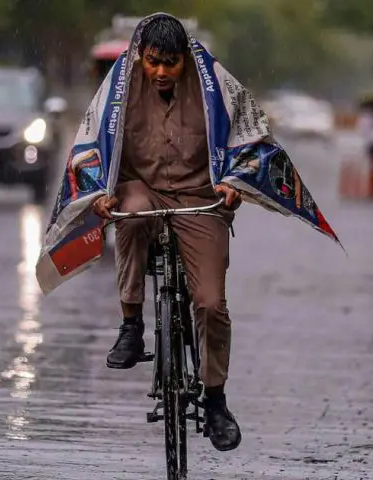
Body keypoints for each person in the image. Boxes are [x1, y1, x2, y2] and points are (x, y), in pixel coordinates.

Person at [90, 16, 242, 452]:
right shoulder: (118, 89)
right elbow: (92, 148)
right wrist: (102, 193)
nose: (160, 72)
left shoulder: (216, 86)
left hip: (201, 199)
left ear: (185, 63)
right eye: (153, 62)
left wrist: (234, 184)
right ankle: (131, 324)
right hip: (143, 190)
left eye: (170, 64)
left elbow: (248, 143)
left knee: (211, 304)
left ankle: (215, 399)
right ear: (141, 58)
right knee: (129, 215)